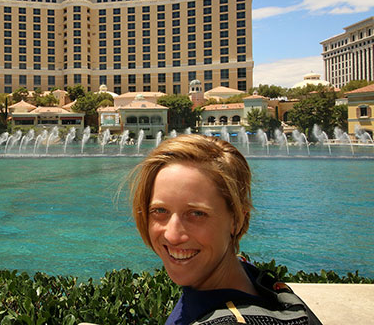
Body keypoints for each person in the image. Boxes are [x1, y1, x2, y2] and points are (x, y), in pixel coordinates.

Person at [130, 134, 322, 325]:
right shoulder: (246, 275)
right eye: (159, 210)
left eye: (196, 213)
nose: (172, 235)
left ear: (237, 219)